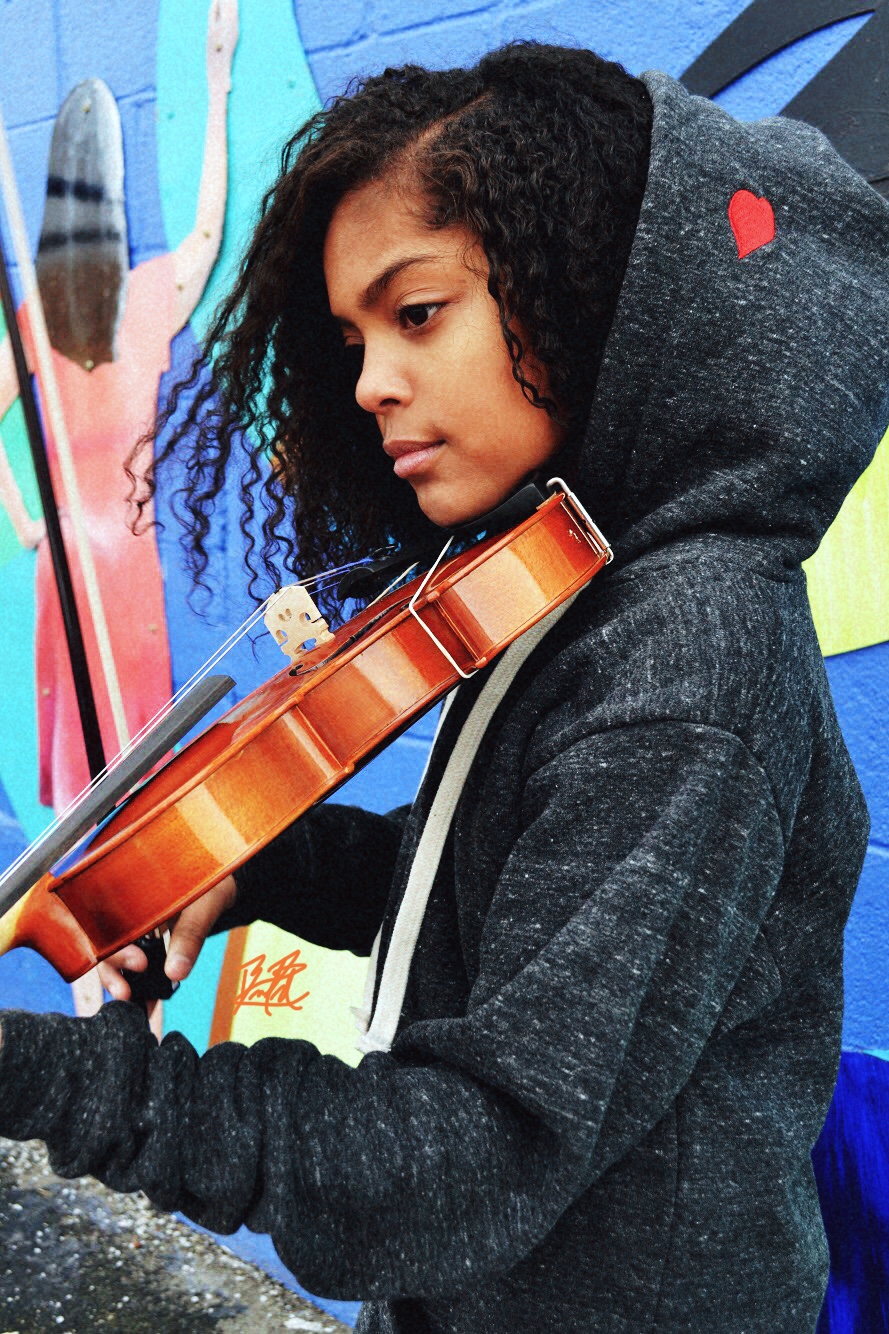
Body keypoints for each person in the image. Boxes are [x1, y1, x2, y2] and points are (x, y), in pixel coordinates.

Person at [0, 41, 888, 1333]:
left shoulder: (686, 656)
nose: (368, 382)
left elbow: (480, 1146)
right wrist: (255, 866)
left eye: (415, 313)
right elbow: (475, 884)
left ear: (577, 291)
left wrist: (77, 1087)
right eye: (354, 337)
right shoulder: (564, 575)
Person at [0, 0, 238, 1027]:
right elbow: (205, 229)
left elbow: (201, 235)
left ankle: (108, 968)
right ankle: (113, 964)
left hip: (88, 564)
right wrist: (216, 88)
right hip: (109, 561)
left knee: (99, 773)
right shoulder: (132, 299)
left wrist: (24, 520)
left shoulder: (55, 317)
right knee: (123, 775)